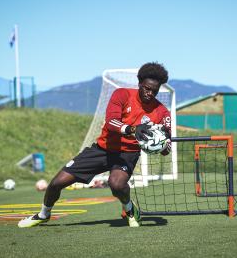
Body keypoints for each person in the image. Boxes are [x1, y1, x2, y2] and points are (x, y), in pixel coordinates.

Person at [18, 62, 172, 228]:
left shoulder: (162, 112)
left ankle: (129, 210)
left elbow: (166, 147)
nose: (150, 93)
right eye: (146, 88)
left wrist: (162, 145)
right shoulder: (122, 94)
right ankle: (43, 214)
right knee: (56, 183)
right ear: (139, 83)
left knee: (117, 184)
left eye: (154, 90)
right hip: (102, 149)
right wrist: (133, 129)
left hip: (127, 154)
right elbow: (111, 122)